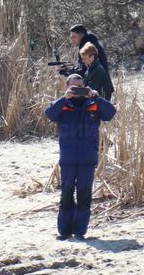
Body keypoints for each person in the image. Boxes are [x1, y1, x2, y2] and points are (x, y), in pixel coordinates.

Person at [44, 74, 116, 240]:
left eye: (80, 87)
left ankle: (80, 231)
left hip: (87, 158)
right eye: (73, 87)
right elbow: (49, 114)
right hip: (68, 158)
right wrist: (64, 98)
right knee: (66, 194)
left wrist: (96, 97)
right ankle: (64, 231)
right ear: (67, 87)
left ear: (86, 87)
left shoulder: (92, 104)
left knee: (84, 195)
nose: (77, 90)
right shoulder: (63, 105)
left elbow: (111, 113)